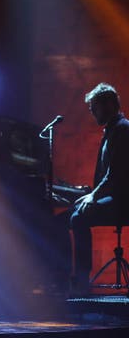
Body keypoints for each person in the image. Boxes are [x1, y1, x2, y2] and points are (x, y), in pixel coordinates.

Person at [70, 83, 129, 294]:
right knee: (70, 214)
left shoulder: (123, 129)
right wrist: (86, 193)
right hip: (112, 197)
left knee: (79, 218)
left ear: (110, 105)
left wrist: (93, 195)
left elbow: (115, 175)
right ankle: (67, 278)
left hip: (123, 202)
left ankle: (82, 283)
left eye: (95, 107)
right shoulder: (113, 131)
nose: (92, 112)